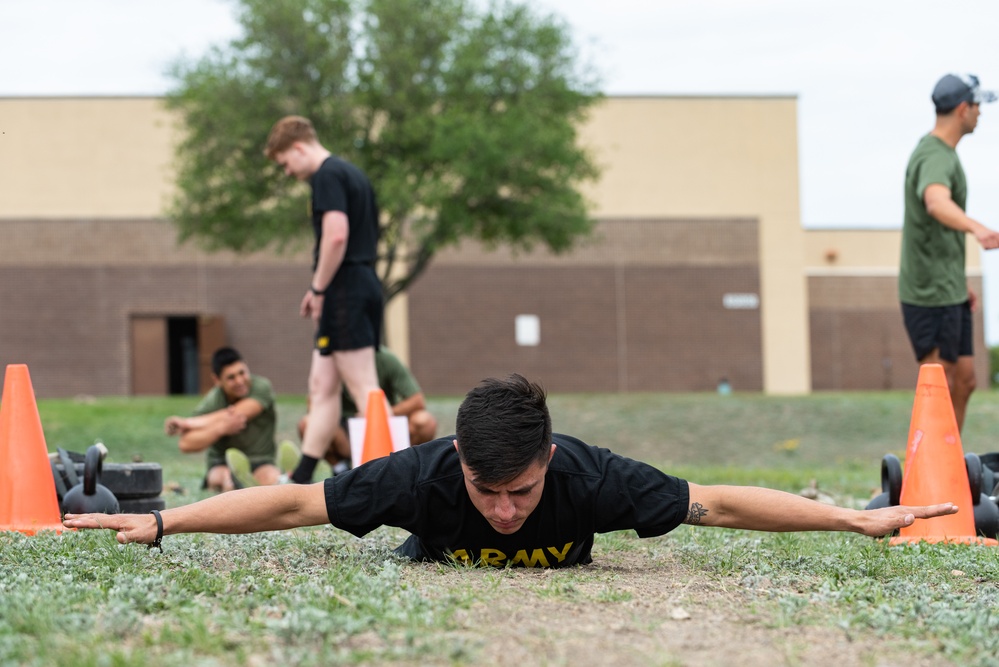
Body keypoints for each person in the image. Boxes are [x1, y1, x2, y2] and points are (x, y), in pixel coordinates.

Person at [71, 374, 956, 568]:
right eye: (483, 490)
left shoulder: (593, 477)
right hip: (426, 551)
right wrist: (159, 521)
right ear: (456, 460)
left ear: (549, 459)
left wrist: (852, 517)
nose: (501, 510)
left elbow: (716, 502)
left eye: (520, 491)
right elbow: (292, 504)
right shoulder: (417, 476)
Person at [263, 115, 389, 484]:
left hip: (346, 286)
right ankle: (301, 477)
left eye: (286, 163)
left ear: (299, 148)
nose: (288, 172)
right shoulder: (353, 173)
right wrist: (320, 290)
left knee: (364, 387)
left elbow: (336, 236)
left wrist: (318, 288)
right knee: (322, 386)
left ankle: (392, 479)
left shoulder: (328, 175)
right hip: (348, 285)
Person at [899, 73, 999, 432]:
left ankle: (950, 465)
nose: (980, 115)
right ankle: (928, 473)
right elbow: (936, 202)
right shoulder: (934, 155)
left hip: (949, 289)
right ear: (962, 109)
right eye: (977, 107)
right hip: (929, 293)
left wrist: (958, 282)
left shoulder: (944, 154)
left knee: (966, 380)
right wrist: (978, 227)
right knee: (938, 386)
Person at [297, 347, 439, 470]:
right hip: (343, 428)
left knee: (424, 421)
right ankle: (339, 468)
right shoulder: (331, 358)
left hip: (384, 426)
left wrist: (382, 413)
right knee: (308, 423)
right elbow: (313, 401)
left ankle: (408, 465)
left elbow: (417, 399)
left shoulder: (385, 359)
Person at [163, 347, 280, 491]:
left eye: (242, 373)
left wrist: (188, 423)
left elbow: (237, 415)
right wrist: (221, 428)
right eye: (231, 377)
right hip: (222, 463)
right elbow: (186, 444)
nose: (239, 381)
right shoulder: (213, 401)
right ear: (217, 380)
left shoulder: (261, 387)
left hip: (260, 461)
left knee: (271, 482)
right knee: (226, 481)